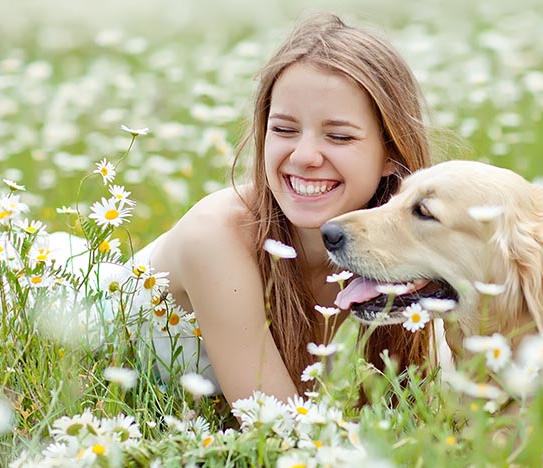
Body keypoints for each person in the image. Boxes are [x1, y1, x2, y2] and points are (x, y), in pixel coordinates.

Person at [142, 13, 435, 405]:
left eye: (338, 136)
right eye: (283, 129)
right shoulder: (214, 237)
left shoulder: (402, 246)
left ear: (391, 153)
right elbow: (277, 431)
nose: (304, 156)